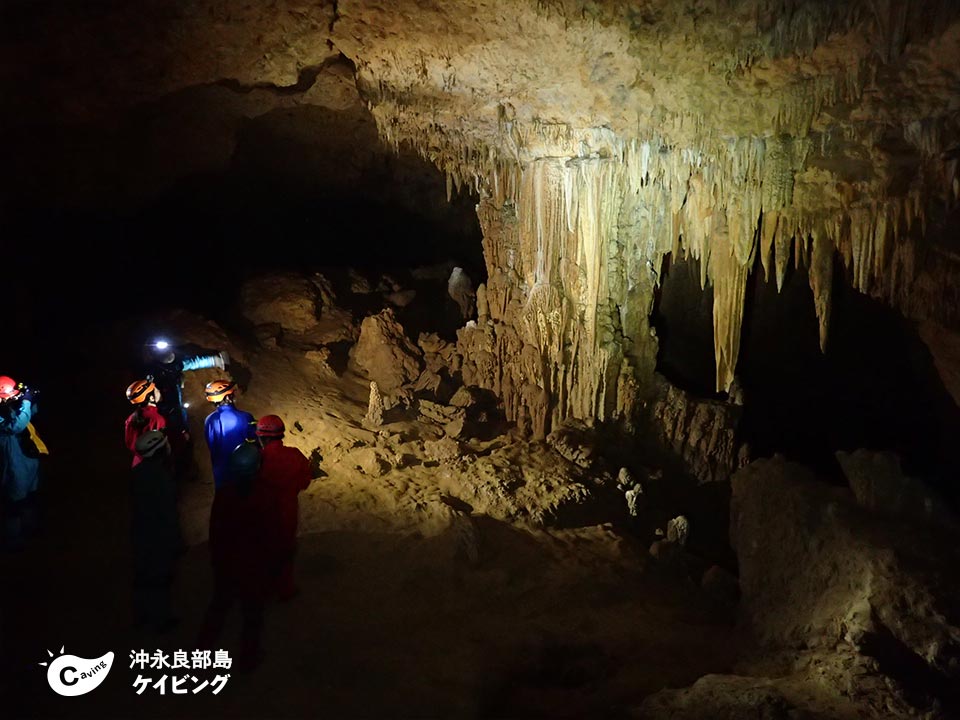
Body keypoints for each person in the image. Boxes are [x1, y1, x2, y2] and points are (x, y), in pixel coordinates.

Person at [197, 441, 283, 672]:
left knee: (219, 607)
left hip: (227, 562)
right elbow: (272, 533)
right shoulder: (265, 495)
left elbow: (216, 530)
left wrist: (216, 557)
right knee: (252, 614)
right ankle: (248, 657)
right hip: (254, 565)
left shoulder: (225, 494)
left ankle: (202, 652)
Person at [143, 341, 228, 482]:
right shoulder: (153, 373)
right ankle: (176, 473)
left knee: (182, 438)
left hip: (175, 409)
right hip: (164, 412)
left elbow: (192, 363)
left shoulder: (173, 366)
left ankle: (183, 470)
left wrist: (215, 360)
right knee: (173, 441)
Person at [255, 414, 312, 601]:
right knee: (286, 549)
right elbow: (305, 480)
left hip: (263, 511)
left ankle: (264, 587)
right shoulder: (294, 455)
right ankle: (285, 588)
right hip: (288, 509)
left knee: (263, 549)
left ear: (262, 437)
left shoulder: (258, 459)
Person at [130, 430, 181, 633]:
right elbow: (169, 514)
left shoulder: (137, 473)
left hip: (140, 533)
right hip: (158, 536)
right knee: (160, 578)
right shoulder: (162, 479)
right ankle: (160, 621)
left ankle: (141, 615)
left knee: (143, 576)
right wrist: (176, 541)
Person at [0, 376, 41, 551]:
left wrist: (30, 401)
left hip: (25, 458)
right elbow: (16, 426)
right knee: (14, 500)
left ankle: (31, 530)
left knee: (29, 496)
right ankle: (14, 541)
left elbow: (31, 416)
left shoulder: (7, 404)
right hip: (11, 461)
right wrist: (25, 403)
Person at [203, 379, 256, 490]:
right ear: (227, 397)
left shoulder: (209, 420)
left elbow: (211, 444)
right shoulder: (245, 417)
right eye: (232, 394)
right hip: (242, 469)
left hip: (220, 470)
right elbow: (253, 443)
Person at [124, 378, 167, 467]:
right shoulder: (156, 418)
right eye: (156, 389)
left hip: (136, 463)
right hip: (153, 465)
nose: (159, 391)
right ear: (151, 397)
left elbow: (129, 444)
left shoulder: (131, 418)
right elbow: (159, 447)